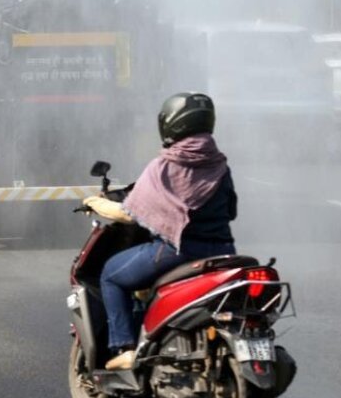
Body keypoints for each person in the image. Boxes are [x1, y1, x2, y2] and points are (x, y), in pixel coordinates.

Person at [81, 92, 238, 371]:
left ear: (172, 124)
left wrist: (94, 202)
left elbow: (127, 214)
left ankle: (125, 347)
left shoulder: (165, 166)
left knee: (110, 275)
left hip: (177, 252)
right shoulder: (220, 165)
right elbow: (231, 210)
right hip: (224, 253)